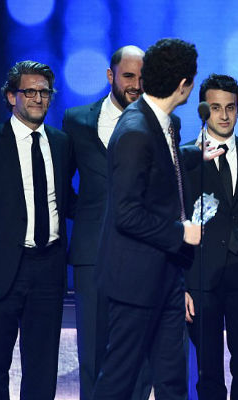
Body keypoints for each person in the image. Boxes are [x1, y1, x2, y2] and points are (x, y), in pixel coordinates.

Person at [0, 60, 75, 399]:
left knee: (42, 369)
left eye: (44, 92)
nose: (38, 98)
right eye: (29, 92)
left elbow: (66, 199)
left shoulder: (61, 143)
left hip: (48, 269)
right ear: (11, 96)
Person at [92, 38, 203, 400]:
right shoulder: (136, 130)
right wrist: (181, 233)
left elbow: (160, 170)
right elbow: (127, 213)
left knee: (172, 379)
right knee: (119, 380)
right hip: (134, 280)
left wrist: (194, 154)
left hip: (166, 275)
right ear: (184, 84)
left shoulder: (162, 124)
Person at [62, 45, 153, 400]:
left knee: (138, 348)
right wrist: (88, 214)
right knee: (92, 348)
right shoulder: (76, 120)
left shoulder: (161, 122)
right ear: (110, 75)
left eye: (142, 78)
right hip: (92, 251)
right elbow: (61, 183)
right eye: (128, 76)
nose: (136, 85)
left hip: (142, 254)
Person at [181, 74, 238, 400]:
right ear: (203, 109)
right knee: (207, 370)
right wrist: (182, 284)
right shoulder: (184, 157)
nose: (223, 115)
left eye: (230, 107)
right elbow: (176, 220)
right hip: (200, 275)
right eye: (216, 107)